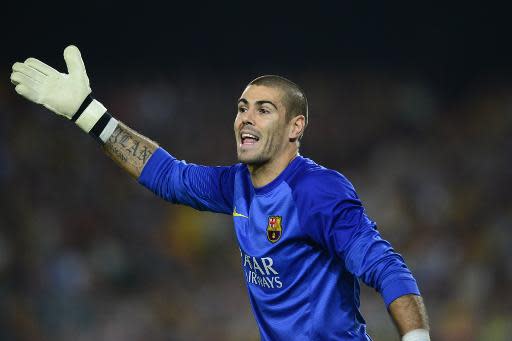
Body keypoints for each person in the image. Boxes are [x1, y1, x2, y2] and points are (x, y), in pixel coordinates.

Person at [10, 45, 430, 341]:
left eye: (264, 109)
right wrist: (89, 113)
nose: (246, 117)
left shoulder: (318, 191)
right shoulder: (235, 185)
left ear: (295, 128)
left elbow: (384, 266)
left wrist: (415, 337)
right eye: (242, 107)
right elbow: (168, 176)